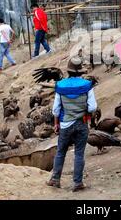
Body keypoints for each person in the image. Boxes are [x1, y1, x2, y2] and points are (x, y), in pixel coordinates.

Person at [46, 56, 97, 192]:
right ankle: (78, 183)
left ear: (68, 71)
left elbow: (56, 109)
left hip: (65, 125)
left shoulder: (60, 86)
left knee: (61, 152)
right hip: (82, 124)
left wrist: (56, 124)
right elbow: (92, 107)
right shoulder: (87, 85)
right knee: (79, 153)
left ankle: (55, 179)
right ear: (80, 71)